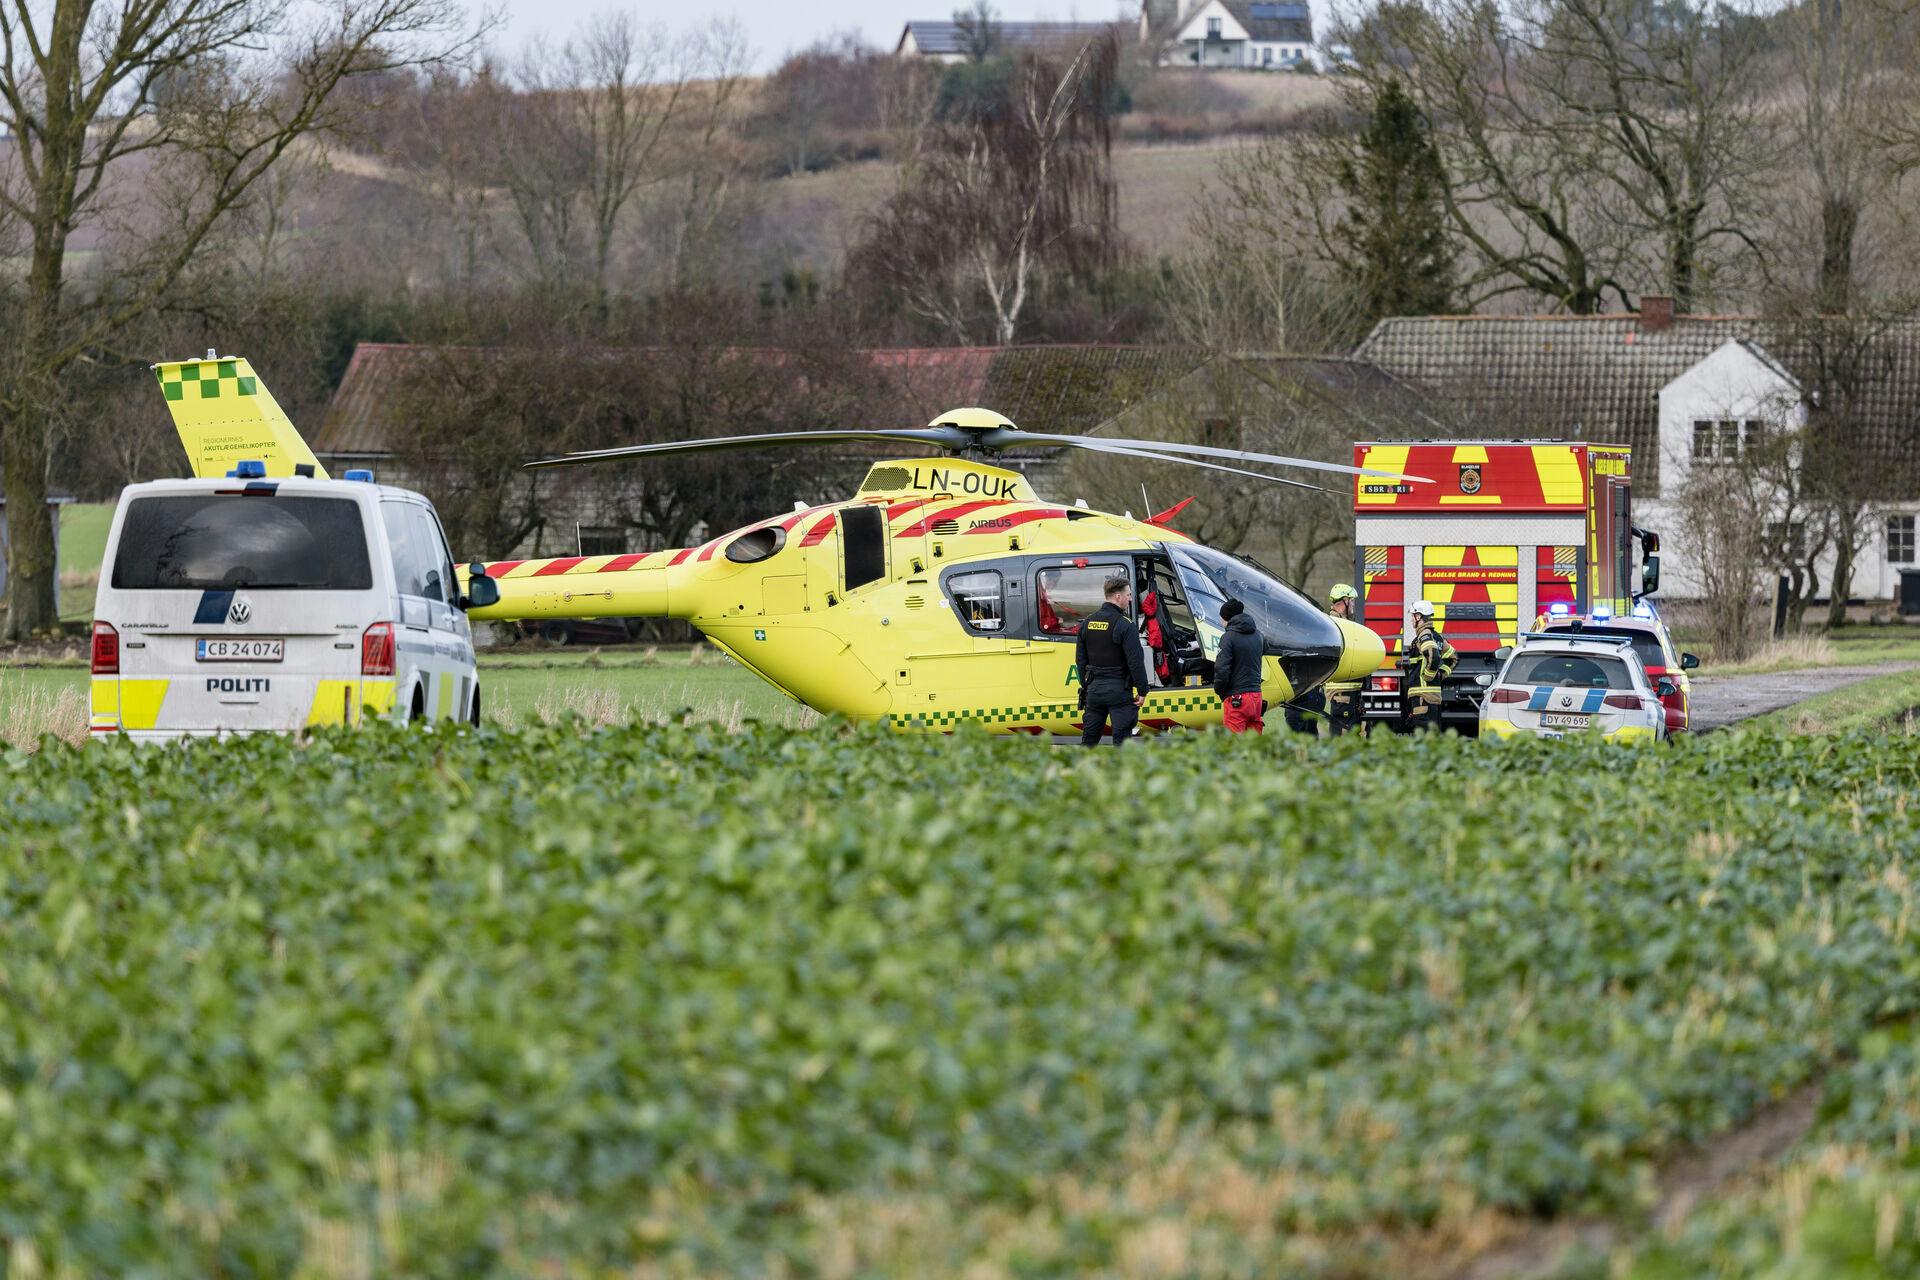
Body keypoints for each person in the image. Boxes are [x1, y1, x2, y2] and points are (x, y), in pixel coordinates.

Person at [1075, 575, 1150, 748]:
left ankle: (1078, 772)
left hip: (1094, 692)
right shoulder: (1125, 624)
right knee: (1122, 743)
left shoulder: (1087, 622)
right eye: (1129, 595)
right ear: (1118, 597)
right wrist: (1142, 690)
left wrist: (1086, 685)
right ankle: (1121, 775)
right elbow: (1135, 661)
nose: (1131, 599)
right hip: (1119, 692)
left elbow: (1080, 660)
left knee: (1088, 742)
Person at [1212, 597, 1265, 734]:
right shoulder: (1258, 635)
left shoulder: (1228, 638)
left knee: (1233, 746)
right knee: (1254, 745)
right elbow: (1265, 648)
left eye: (1221, 617)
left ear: (1227, 618)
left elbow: (1221, 670)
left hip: (1237, 699)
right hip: (1256, 696)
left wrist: (1220, 691)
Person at [1405, 599, 1456, 730]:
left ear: (1418, 616)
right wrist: (1441, 674)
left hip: (1423, 697)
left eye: (1412, 616)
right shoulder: (1438, 637)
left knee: (1424, 741)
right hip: (1433, 698)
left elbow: (1433, 655)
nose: (1411, 620)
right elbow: (1453, 658)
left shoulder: (1424, 635)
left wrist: (1428, 676)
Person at [1322, 583, 1364, 736]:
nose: (1353, 605)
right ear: (1344, 601)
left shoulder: (1343, 624)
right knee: (1341, 735)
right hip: (1342, 693)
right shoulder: (1334, 625)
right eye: (1351, 601)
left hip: (1348, 691)